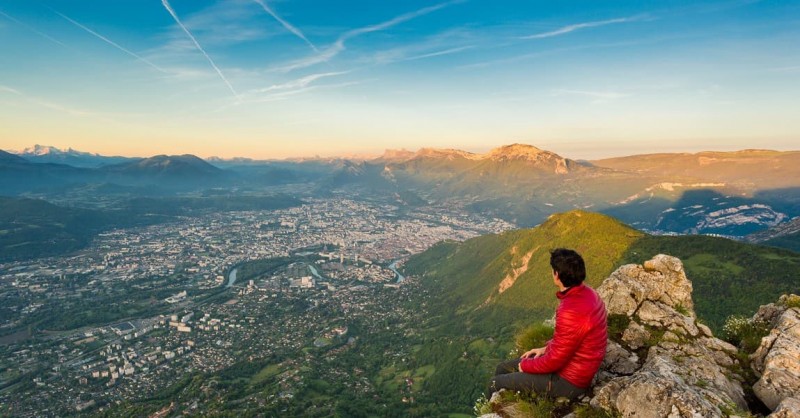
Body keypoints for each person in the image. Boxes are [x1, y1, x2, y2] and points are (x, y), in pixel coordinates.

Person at [488, 248, 607, 400]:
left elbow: (555, 362)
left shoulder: (570, 310)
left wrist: (524, 366)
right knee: (502, 368)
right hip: (577, 368)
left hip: (568, 381)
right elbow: (570, 340)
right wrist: (545, 348)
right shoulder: (589, 293)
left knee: (494, 383)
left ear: (557, 275)